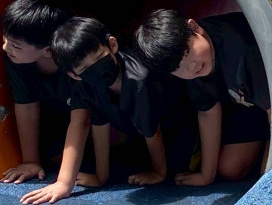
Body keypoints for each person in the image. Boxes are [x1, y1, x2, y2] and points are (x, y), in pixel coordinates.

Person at [135, 9, 271, 186]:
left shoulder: (243, 49)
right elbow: (208, 112)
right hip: (244, 104)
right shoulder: (195, 70)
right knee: (230, 169)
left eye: (187, 53)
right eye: (177, 68)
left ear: (194, 27)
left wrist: (267, 174)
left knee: (268, 174)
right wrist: (207, 175)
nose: (190, 68)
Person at [51, 16, 184, 186]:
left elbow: (152, 132)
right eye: (84, 68)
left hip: (177, 122)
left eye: (99, 57)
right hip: (141, 131)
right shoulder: (87, 84)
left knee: (180, 166)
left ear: (112, 45)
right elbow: (99, 125)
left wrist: (158, 173)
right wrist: (101, 177)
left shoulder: (138, 80)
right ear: (74, 75)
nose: (96, 68)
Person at [0, 0, 100, 205]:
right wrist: (31, 161)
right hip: (59, 114)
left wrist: (63, 183)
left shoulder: (75, 63)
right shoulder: (18, 60)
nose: (6, 48)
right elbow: (26, 106)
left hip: (98, 117)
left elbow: (82, 121)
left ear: (48, 51)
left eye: (15, 45)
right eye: (5, 38)